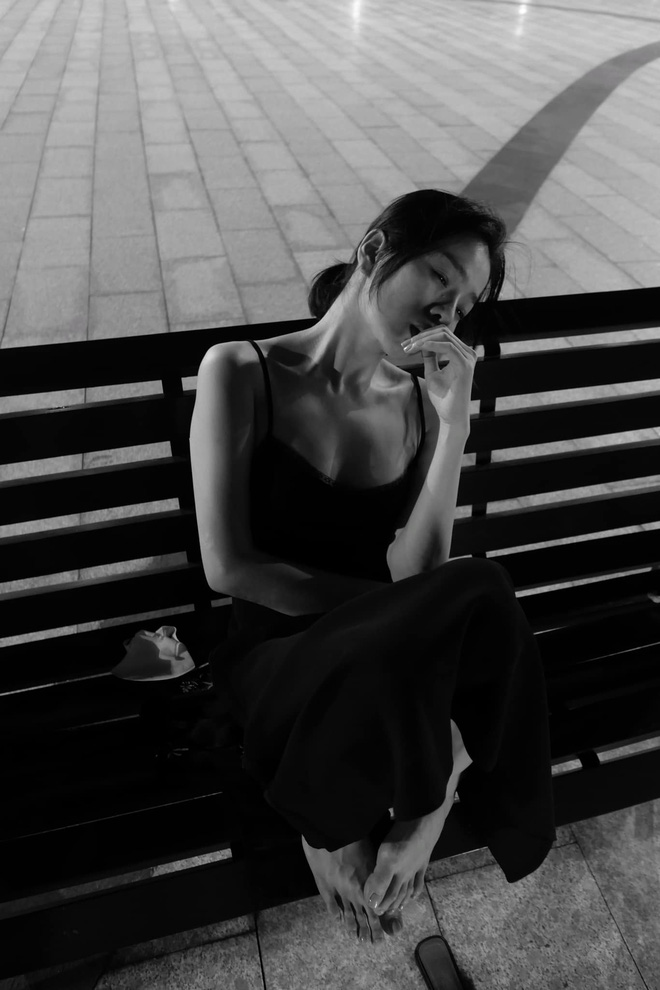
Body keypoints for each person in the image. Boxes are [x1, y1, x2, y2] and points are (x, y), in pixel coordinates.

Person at [189, 188, 556, 946]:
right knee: (476, 592)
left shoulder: (417, 406)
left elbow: (422, 574)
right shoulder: (244, 370)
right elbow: (229, 567)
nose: (446, 313)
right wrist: (377, 610)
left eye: (465, 304)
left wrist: (453, 425)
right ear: (375, 250)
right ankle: (432, 777)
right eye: (439, 277)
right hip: (276, 659)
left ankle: (428, 800)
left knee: (472, 593)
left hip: (381, 660)